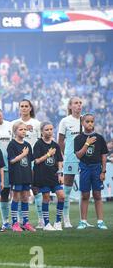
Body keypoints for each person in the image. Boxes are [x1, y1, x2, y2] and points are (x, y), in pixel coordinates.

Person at [12, 99, 44, 228]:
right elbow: (12, 142)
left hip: (33, 160)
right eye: (22, 106)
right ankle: (19, 220)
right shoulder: (14, 123)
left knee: (36, 190)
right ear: (19, 108)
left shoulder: (37, 124)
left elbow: (40, 142)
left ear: (31, 108)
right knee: (19, 192)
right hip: (19, 162)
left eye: (26, 106)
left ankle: (41, 219)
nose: (24, 108)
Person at [74, 114, 108, 230]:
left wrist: (103, 171)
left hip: (96, 168)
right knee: (85, 195)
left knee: (97, 195)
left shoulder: (100, 138)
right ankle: (83, 221)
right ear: (82, 123)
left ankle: (100, 221)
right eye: (87, 121)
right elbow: (78, 155)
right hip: (84, 168)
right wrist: (87, 143)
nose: (90, 123)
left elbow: (104, 155)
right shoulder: (78, 138)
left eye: (92, 121)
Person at [33, 122, 65, 231]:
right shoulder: (38, 144)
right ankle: (46, 224)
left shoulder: (55, 145)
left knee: (62, 196)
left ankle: (58, 222)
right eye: (47, 129)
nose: (49, 131)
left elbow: (60, 160)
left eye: (51, 129)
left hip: (54, 176)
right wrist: (48, 155)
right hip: (42, 176)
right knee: (46, 197)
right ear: (42, 131)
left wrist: (60, 174)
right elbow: (36, 161)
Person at [57, 97, 83, 228]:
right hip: (70, 158)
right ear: (70, 106)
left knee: (85, 191)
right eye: (76, 103)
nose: (78, 105)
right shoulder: (65, 121)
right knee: (66, 190)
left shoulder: (85, 120)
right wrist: (64, 155)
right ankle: (66, 219)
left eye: (80, 103)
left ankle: (83, 220)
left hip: (85, 159)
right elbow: (60, 141)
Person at [8, 122, 35, 232]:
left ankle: (26, 222)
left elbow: (29, 162)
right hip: (16, 175)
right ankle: (14, 223)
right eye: (21, 129)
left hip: (26, 175)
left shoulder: (28, 145)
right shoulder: (12, 144)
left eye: (25, 129)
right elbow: (12, 160)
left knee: (25, 198)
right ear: (15, 132)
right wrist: (22, 155)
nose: (23, 131)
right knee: (16, 198)